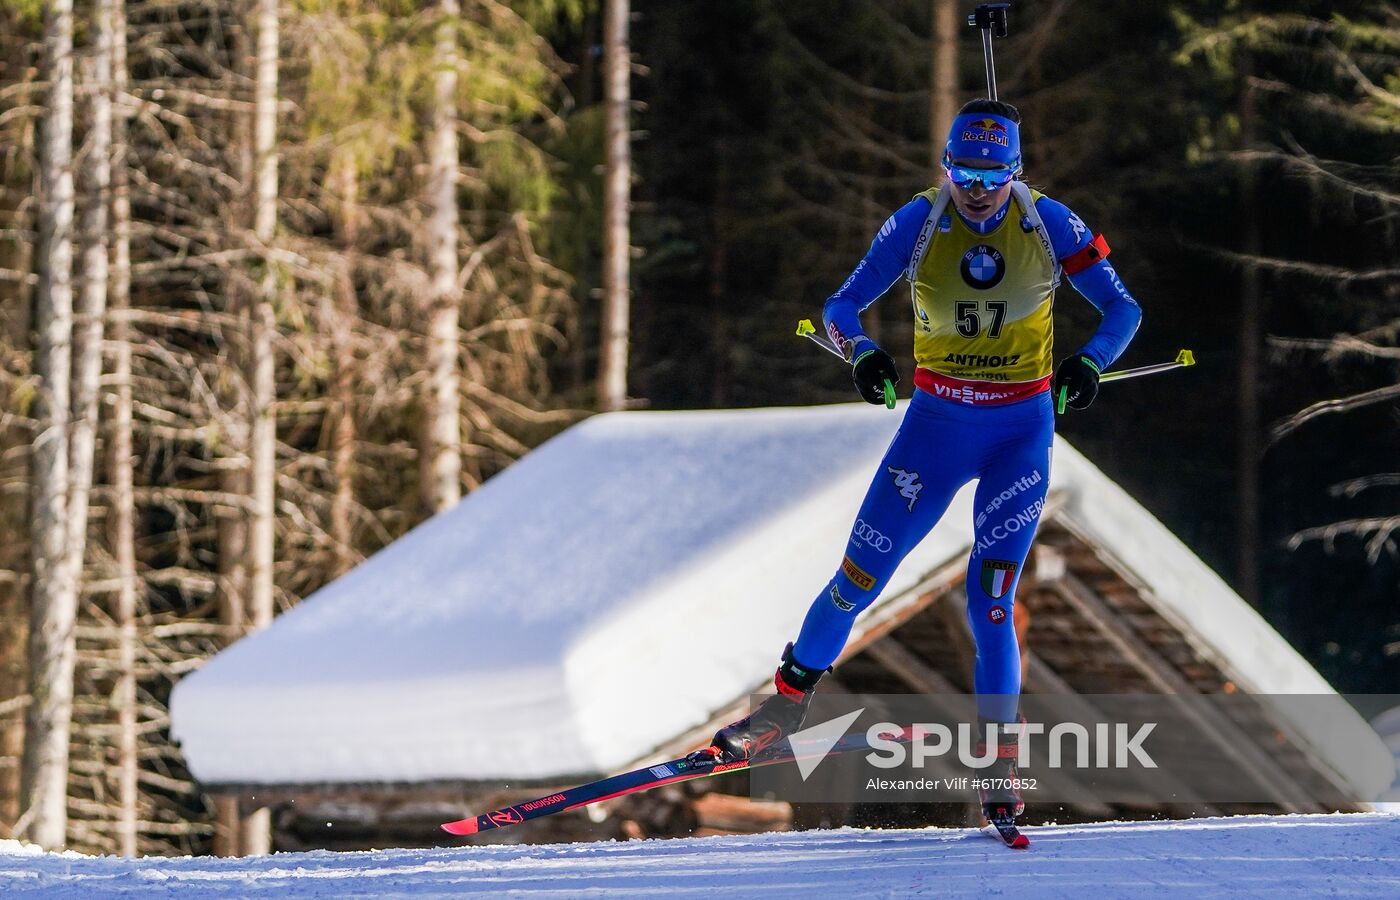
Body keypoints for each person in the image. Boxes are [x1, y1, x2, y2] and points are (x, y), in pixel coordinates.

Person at [695, 99, 1143, 826]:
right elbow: (840, 306)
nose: (975, 189)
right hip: (935, 427)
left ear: (1016, 172)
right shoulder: (918, 221)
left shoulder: (1050, 223)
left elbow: (1124, 311)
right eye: (962, 171)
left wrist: (1089, 365)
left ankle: (1002, 766)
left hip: (1018, 434)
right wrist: (863, 353)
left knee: (991, 601)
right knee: (855, 581)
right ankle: (780, 713)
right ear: (945, 166)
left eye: (991, 175)